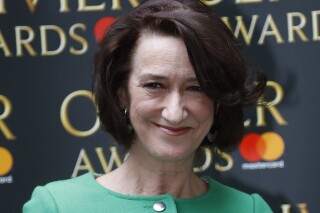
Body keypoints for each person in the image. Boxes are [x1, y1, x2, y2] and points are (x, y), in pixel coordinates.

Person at [23, 0, 273, 212]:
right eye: (155, 85)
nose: (175, 113)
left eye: (196, 88)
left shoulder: (249, 209)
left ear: (218, 101)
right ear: (122, 94)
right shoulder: (57, 206)